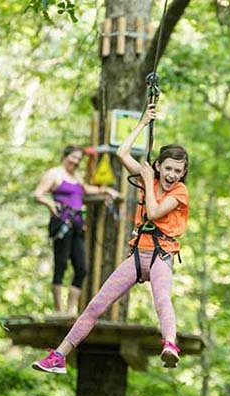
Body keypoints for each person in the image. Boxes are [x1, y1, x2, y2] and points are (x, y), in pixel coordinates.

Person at [32, 105, 189, 373]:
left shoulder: (180, 193)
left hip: (161, 256)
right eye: (169, 169)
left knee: (162, 298)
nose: (173, 176)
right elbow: (121, 153)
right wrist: (142, 123)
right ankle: (59, 355)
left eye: (178, 171)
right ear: (159, 165)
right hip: (138, 255)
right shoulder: (148, 177)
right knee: (95, 306)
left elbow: (152, 212)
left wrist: (148, 178)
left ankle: (170, 345)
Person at [34, 145, 120, 315]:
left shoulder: (76, 177)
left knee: (81, 268)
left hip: (78, 224)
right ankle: (59, 310)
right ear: (65, 156)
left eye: (78, 159)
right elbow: (38, 194)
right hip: (62, 223)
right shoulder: (54, 174)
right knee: (61, 265)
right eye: (73, 157)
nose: (75, 161)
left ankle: (71, 310)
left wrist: (106, 190)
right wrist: (51, 205)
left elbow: (86, 189)